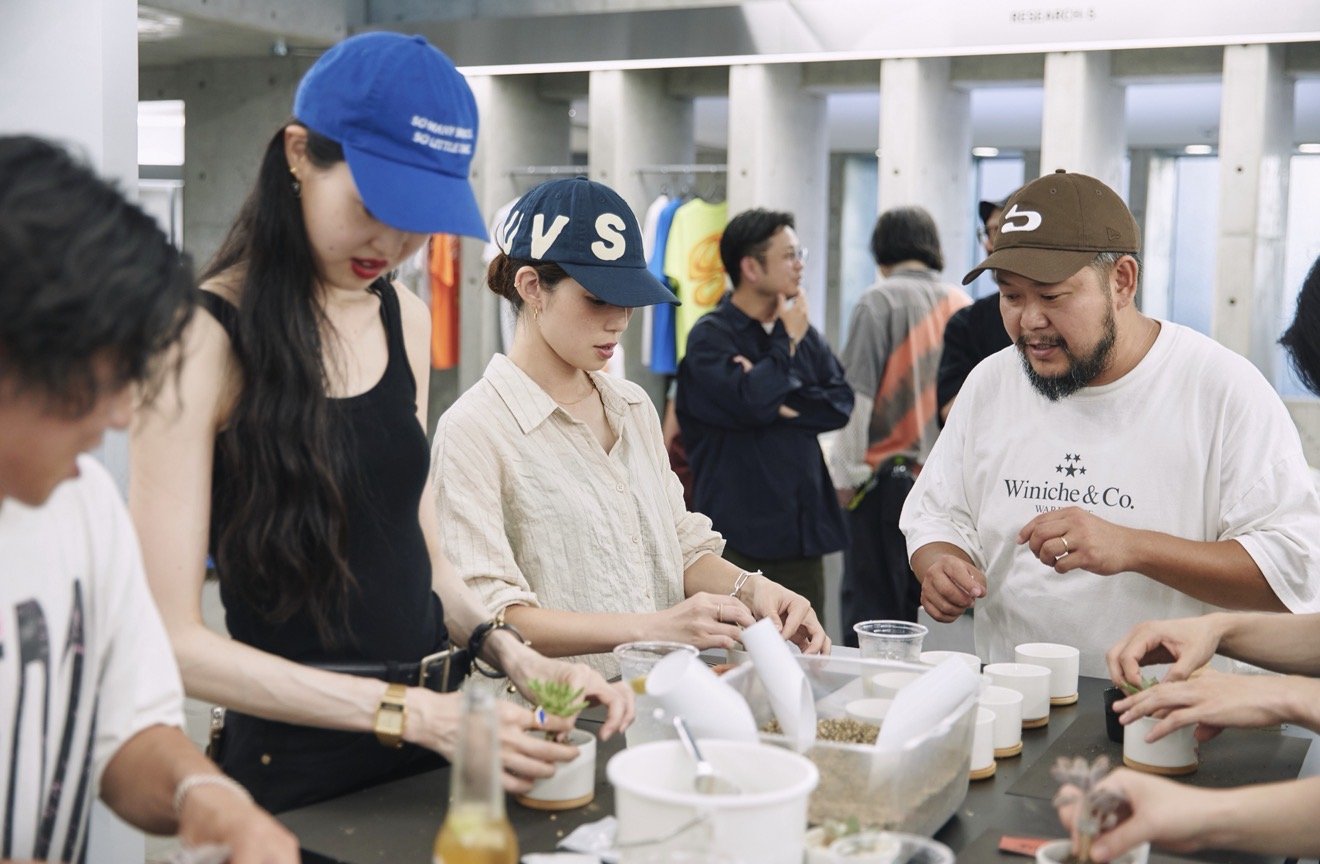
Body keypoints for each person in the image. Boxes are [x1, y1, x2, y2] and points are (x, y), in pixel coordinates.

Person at [129, 33, 628, 815]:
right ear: (299, 154)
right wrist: (408, 713)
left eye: (418, 218)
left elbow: (423, 556)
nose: (392, 244)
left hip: (441, 745)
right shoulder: (201, 339)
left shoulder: (406, 316)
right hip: (299, 771)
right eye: (372, 206)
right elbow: (172, 640)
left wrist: (513, 653)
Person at [0, 135, 297, 862]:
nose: (120, 417)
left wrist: (205, 795)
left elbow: (125, 730)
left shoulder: (84, 504)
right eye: (93, 383)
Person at [899, 169, 1320, 677]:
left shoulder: (1221, 389)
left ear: (1122, 280)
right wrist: (939, 561)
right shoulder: (991, 382)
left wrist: (1133, 546)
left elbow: (1292, 570)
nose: (1029, 320)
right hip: (1015, 697)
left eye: (1052, 296)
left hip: (1178, 714)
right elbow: (938, 512)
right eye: (1011, 296)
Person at [431, 178, 828, 682]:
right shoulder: (475, 429)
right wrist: (654, 627)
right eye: (599, 299)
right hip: (552, 724)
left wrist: (754, 588)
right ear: (532, 287)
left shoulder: (632, 406)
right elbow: (488, 618)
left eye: (631, 299)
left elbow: (677, 546)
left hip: (662, 699)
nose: (620, 320)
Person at [676, 208, 853, 620]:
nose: (800, 263)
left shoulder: (802, 330)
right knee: (732, 655)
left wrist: (777, 395)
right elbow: (755, 402)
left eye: (799, 252)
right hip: (736, 534)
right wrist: (784, 345)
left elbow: (839, 403)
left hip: (799, 532)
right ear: (751, 267)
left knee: (804, 649)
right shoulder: (711, 337)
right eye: (789, 255)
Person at [829, 206, 970, 638]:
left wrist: (844, 474)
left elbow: (859, 394)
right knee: (923, 617)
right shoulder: (960, 303)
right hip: (943, 485)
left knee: (872, 616)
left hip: (882, 486)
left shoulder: (879, 300)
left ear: (881, 252)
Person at [936, 196, 1014, 423]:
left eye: (1001, 231)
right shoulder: (968, 322)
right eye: (990, 232)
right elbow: (950, 412)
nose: (991, 244)